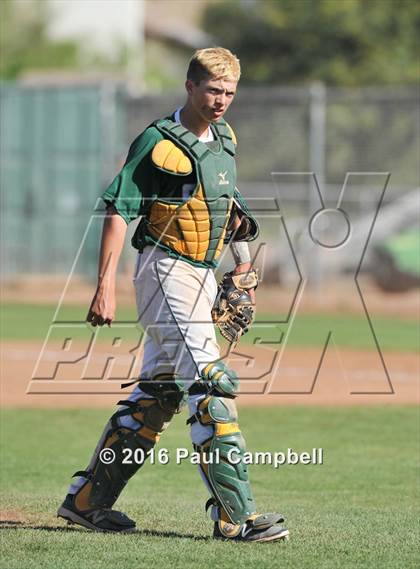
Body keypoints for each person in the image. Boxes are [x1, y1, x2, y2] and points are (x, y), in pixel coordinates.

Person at [57, 47, 289, 543]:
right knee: (211, 385)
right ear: (190, 86)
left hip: (201, 272)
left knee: (159, 394)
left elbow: (230, 208)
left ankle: (86, 502)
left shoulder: (224, 138)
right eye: (212, 90)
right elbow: (119, 209)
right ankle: (236, 518)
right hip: (164, 268)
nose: (221, 100)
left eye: (229, 92)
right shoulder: (160, 142)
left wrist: (243, 270)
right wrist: (104, 286)